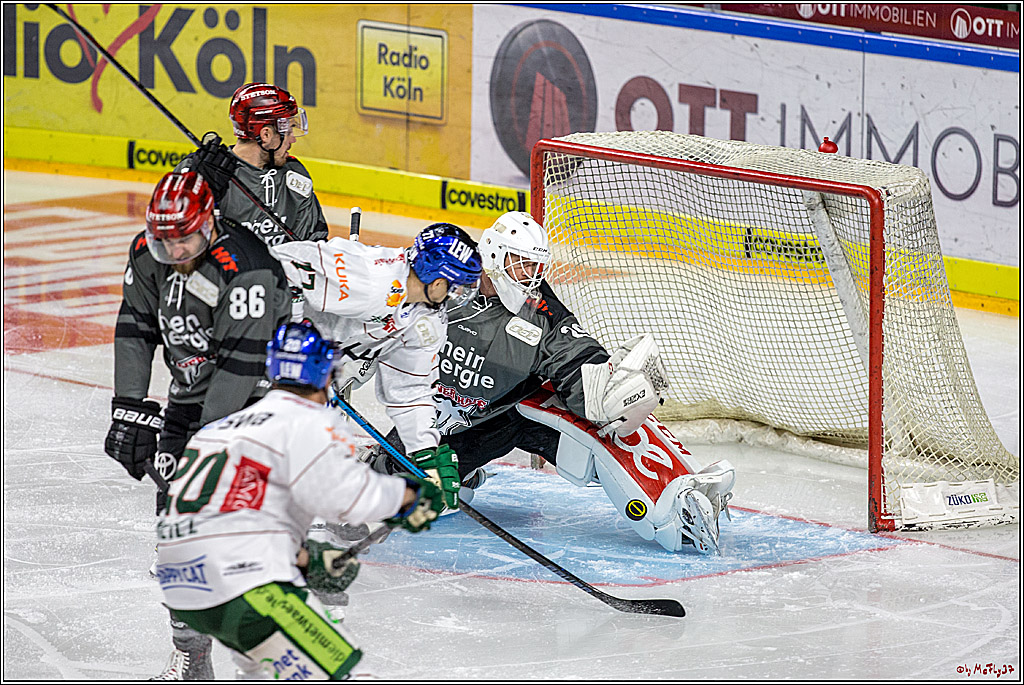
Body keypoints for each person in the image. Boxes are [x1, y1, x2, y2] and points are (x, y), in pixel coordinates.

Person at [374, 211, 736, 554]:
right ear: (495, 254)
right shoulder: (445, 277)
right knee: (388, 486)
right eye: (523, 263)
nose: (532, 275)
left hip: (500, 420)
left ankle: (677, 500)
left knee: (593, 422)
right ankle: (461, 471)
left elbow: (573, 351)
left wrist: (606, 387)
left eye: (537, 265)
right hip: (430, 423)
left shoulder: (540, 308)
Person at [154, 321, 444, 680]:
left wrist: (304, 560)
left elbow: (220, 522)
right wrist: (409, 497)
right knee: (340, 670)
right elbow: (347, 498)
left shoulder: (221, 428)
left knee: (269, 667)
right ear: (325, 375)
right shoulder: (306, 422)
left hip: (183, 590)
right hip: (244, 586)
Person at [103, 170, 292, 679]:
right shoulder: (151, 249)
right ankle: (193, 653)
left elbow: (239, 368)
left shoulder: (245, 270)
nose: (175, 250)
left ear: (209, 222)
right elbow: (136, 327)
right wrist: (129, 407)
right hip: (191, 400)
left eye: (186, 237)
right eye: (166, 240)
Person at [270, 223, 483, 514]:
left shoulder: (427, 321)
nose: (458, 294)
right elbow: (280, 265)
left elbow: (411, 390)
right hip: (256, 338)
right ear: (436, 279)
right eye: (456, 284)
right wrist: (290, 346)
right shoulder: (372, 278)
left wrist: (425, 454)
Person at [176, 82, 329, 245]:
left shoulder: (294, 174)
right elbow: (176, 245)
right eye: (289, 131)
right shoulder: (204, 170)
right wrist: (198, 195)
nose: (292, 139)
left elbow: (314, 249)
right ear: (266, 135)